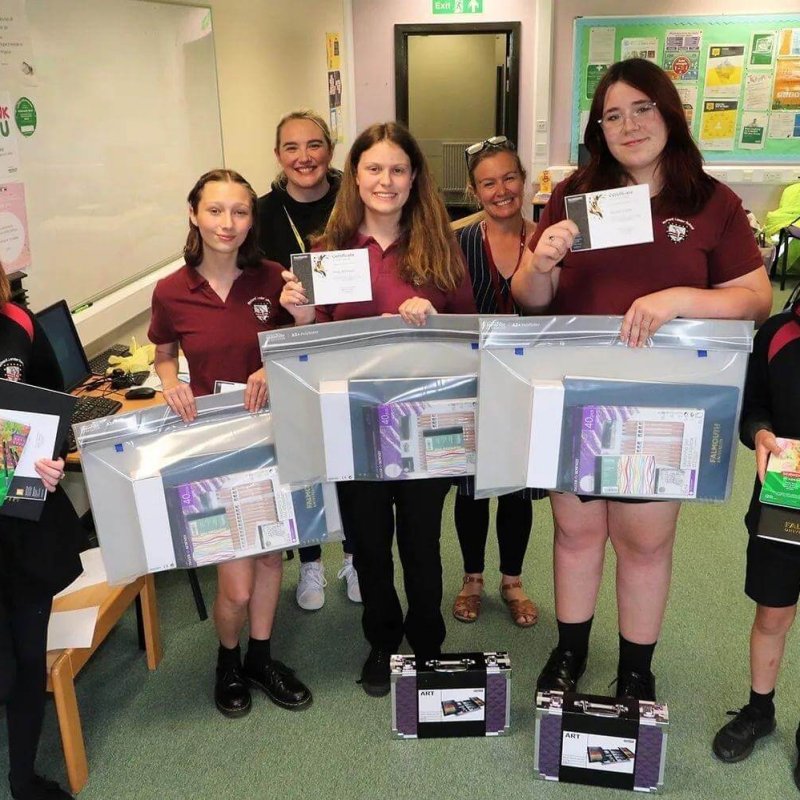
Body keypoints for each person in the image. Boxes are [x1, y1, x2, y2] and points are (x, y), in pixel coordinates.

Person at [511, 58, 772, 701]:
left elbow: (755, 297)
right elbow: (528, 299)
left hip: (664, 401)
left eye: (642, 108)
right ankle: (570, 652)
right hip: (576, 392)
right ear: (598, 128)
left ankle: (635, 669)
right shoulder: (576, 193)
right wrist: (541, 263)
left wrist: (680, 296)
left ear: (669, 113)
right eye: (612, 115)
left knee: (644, 542)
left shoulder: (711, 201)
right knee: (574, 531)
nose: (628, 125)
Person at [280, 121, 476, 697]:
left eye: (397, 169)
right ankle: (382, 641)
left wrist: (433, 321)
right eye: (373, 169)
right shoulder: (326, 253)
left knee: (420, 542)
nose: (384, 181)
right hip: (353, 426)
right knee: (368, 543)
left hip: (424, 428)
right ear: (356, 176)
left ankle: (428, 643)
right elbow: (309, 345)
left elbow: (471, 336)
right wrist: (298, 315)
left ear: (414, 178)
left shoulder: (440, 248)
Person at [149, 168, 312, 718]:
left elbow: (299, 338)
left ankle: (260, 658)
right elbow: (165, 352)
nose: (228, 222)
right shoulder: (172, 290)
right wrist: (170, 383)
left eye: (240, 211)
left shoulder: (272, 277)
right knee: (236, 585)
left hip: (269, 435)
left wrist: (274, 363)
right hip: (213, 446)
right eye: (216, 210)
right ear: (194, 213)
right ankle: (227, 659)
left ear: (251, 219)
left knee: (269, 558)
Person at [256, 109, 360, 612]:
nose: (304, 157)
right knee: (305, 458)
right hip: (294, 351)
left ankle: (357, 555)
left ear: (330, 149)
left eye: (314, 145)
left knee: (352, 455)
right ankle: (312, 560)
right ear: (278, 155)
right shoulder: (259, 214)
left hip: (349, 347)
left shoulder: (356, 198)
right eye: (292, 147)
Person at [450, 137, 541, 628]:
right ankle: (471, 579)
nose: (501, 189)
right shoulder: (457, 243)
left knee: (517, 491)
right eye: (489, 182)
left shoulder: (548, 238)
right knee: (471, 488)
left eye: (509, 178)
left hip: (529, 385)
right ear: (474, 190)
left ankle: (512, 580)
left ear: (523, 180)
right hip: (474, 383)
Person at [0, 265, 83, 800]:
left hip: (23, 522)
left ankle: (23, 777)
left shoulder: (18, 324)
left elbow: (56, 408)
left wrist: (50, 457)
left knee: (29, 657)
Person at [712, 298, 800, 783]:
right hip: (786, 493)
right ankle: (759, 710)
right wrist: (760, 433)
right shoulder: (778, 334)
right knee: (773, 611)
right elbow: (754, 405)